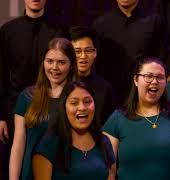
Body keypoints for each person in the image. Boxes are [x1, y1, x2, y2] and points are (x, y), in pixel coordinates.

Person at [102, 57, 170, 179]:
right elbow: (110, 170)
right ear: (136, 80)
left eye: (160, 77)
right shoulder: (118, 119)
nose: (154, 81)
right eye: (148, 76)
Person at [9, 38, 78, 180]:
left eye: (61, 62)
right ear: (43, 62)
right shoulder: (27, 97)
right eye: (50, 61)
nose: (54, 67)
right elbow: (18, 144)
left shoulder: (79, 97)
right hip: (31, 174)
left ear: (71, 65)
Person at [0, 0, 62, 142]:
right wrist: (1, 117)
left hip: (51, 105)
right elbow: (2, 75)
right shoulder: (8, 30)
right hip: (15, 108)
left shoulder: (59, 30)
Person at [92, 0, 170, 107]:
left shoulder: (154, 20)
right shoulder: (101, 24)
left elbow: (165, 57)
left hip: (147, 93)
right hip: (112, 96)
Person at [33, 81, 116, 180]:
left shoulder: (104, 142)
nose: (82, 107)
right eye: (74, 103)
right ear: (64, 107)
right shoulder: (48, 144)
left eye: (87, 101)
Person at [69, 26, 114, 123]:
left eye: (88, 50)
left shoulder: (105, 88)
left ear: (95, 53)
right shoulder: (62, 84)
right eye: (77, 51)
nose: (83, 56)